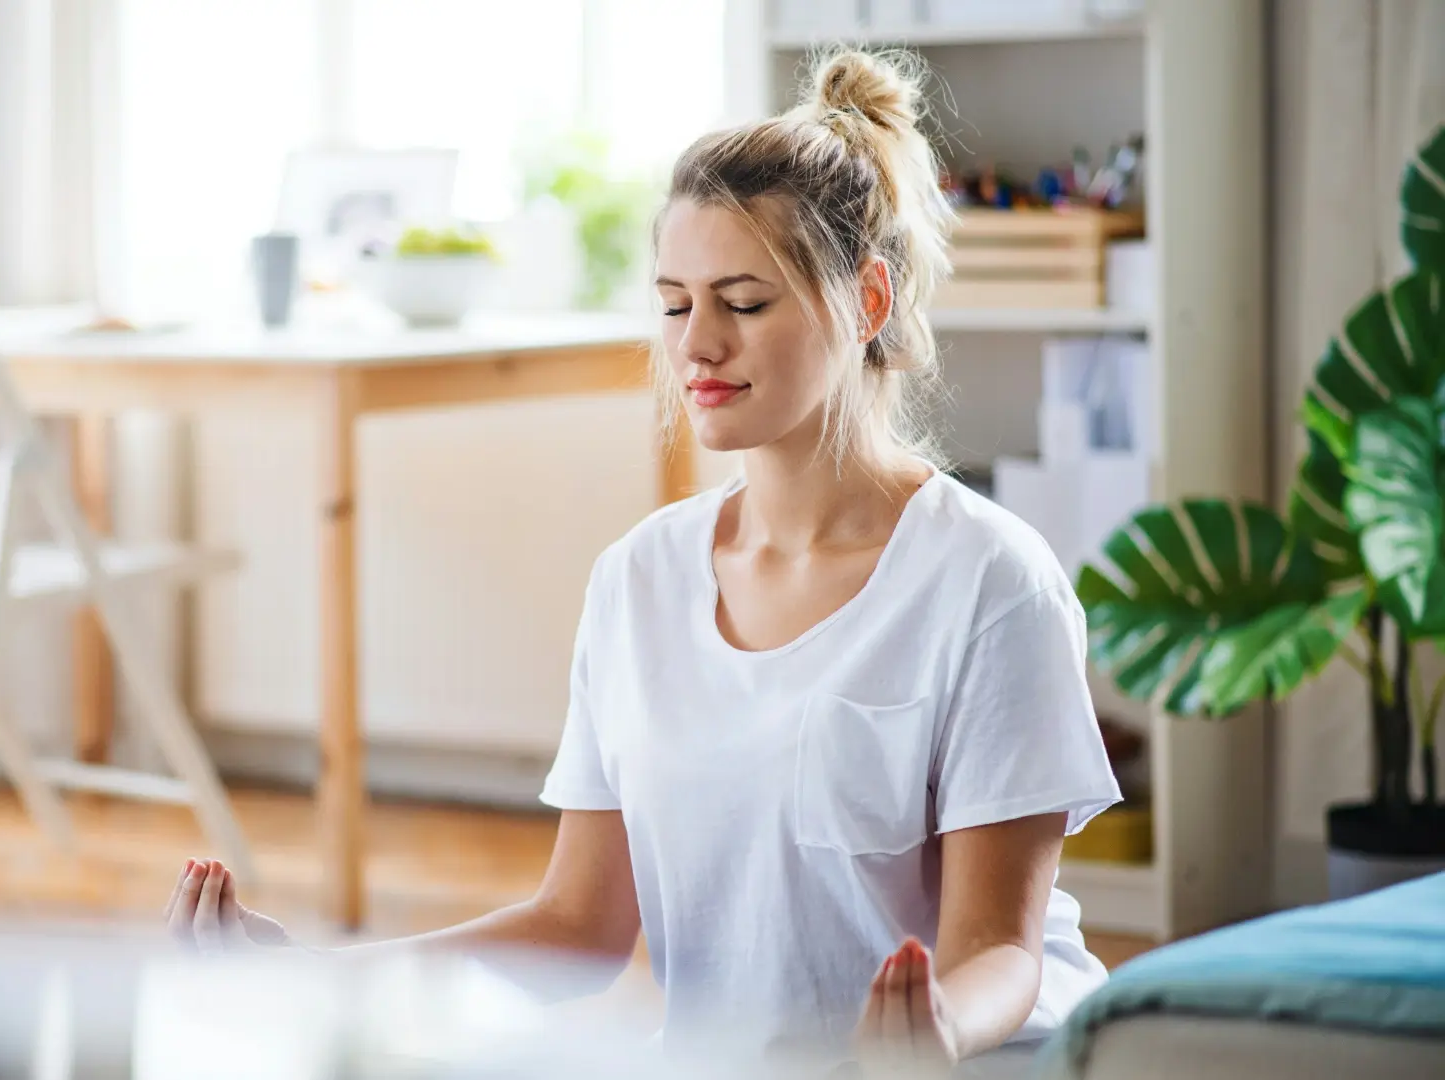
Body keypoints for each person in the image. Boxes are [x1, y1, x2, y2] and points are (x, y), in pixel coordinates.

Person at [164, 47, 1121, 1073]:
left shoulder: (990, 583)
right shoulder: (639, 581)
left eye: (744, 303)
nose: (697, 345)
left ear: (869, 302)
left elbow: (1001, 954)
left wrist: (935, 1027)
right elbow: (578, 928)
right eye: (675, 303)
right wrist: (317, 974)